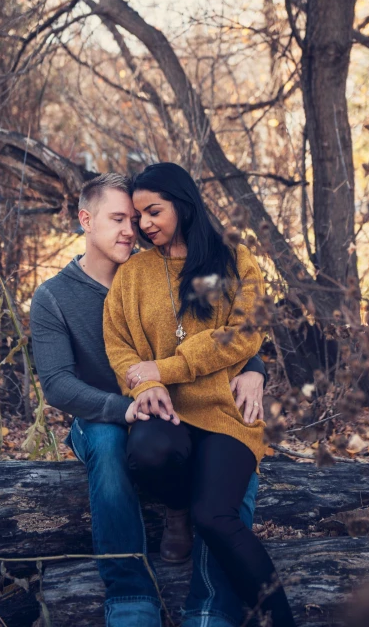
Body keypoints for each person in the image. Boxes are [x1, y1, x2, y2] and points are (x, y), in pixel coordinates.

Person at [30, 172, 267, 627]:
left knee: (226, 444)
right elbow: (58, 384)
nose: (131, 229)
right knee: (106, 441)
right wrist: (126, 407)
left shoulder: (161, 265)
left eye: (135, 219)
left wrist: (255, 370)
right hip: (104, 412)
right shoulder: (54, 298)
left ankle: (210, 606)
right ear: (85, 220)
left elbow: (224, 335)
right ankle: (129, 594)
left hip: (177, 408)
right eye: (119, 218)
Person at [104, 163, 297, 627]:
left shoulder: (235, 259)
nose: (145, 224)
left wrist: (168, 367)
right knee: (147, 451)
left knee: (215, 517)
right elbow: (119, 343)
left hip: (225, 410)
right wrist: (148, 385)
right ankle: (175, 508)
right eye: (138, 216)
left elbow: (246, 333)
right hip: (164, 411)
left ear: (183, 204)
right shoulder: (133, 273)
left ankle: (283, 619)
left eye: (154, 211)